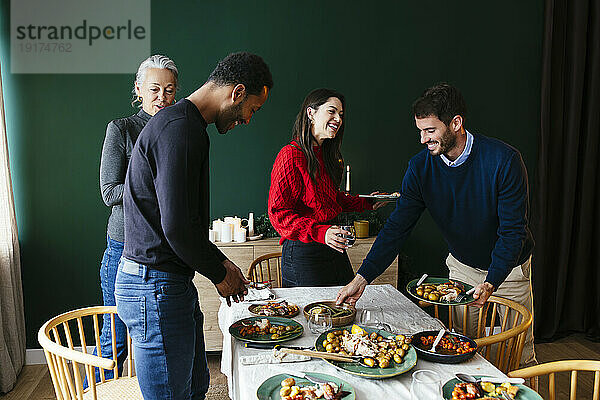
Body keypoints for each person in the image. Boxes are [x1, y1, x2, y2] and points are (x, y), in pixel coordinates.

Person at [336, 83, 536, 367]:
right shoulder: (420, 168)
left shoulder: (503, 160)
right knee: (463, 350)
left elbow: (512, 232)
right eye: (420, 131)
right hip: (462, 267)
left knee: (521, 355)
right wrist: (362, 278)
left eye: (430, 131)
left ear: (456, 123)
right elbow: (397, 227)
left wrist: (492, 280)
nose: (422, 139)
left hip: (511, 269)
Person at [116, 52, 272, 399]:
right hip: (154, 285)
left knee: (196, 388)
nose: (248, 119)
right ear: (237, 92)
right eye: (253, 109)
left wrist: (223, 262)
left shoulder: (184, 125)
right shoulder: (180, 130)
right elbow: (177, 227)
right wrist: (219, 273)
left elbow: (185, 221)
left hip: (167, 283)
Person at [93, 54, 178, 384]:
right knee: (113, 339)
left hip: (164, 249)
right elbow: (109, 193)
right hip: (123, 248)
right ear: (139, 89)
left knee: (159, 336)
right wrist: (156, 190)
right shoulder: (122, 129)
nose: (162, 97)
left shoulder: (176, 131)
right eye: (154, 88)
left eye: (169, 90)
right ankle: (99, 391)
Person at [268, 88, 385, 287]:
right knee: (312, 315)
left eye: (341, 114)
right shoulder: (290, 155)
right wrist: (321, 232)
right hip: (304, 252)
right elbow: (278, 214)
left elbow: (329, 199)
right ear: (311, 113)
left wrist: (366, 202)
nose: (338, 119)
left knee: (345, 308)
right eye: (331, 111)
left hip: (333, 246)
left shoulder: (327, 156)